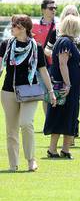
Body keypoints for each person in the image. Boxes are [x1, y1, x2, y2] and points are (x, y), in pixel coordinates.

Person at [0, 15, 56, 172]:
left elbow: (43, 71)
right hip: (8, 91)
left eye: (14, 25)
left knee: (26, 123)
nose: (11, 28)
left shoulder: (36, 47)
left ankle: (31, 159)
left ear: (23, 28)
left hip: (30, 92)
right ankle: (13, 164)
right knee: (11, 129)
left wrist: (51, 91)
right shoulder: (6, 45)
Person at [44, 15, 80, 160]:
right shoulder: (65, 42)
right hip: (64, 86)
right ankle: (52, 149)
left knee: (70, 115)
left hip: (71, 86)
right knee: (60, 115)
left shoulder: (66, 41)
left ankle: (65, 149)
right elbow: (62, 64)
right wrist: (67, 84)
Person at [32, 0, 57, 65]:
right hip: (37, 62)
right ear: (43, 10)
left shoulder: (59, 25)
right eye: (51, 8)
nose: (54, 10)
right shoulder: (34, 25)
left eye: (55, 8)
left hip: (54, 62)